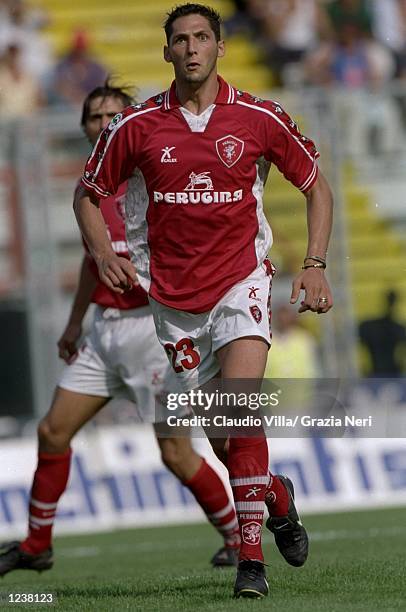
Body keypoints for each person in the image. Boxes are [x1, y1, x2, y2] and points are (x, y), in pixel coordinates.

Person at [74, 3, 334, 599]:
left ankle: (250, 562)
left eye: (201, 38)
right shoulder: (135, 127)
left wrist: (314, 265)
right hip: (173, 303)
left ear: (220, 47)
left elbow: (316, 185)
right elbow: (88, 195)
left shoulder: (258, 117)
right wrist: (103, 253)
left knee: (241, 415)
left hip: (242, 284)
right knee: (225, 441)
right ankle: (277, 495)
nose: (191, 48)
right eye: (179, 40)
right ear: (166, 52)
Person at [0, 82, 245, 578]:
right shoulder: (88, 190)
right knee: (52, 431)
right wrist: (74, 324)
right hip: (104, 332)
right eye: (94, 116)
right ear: (85, 127)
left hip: (154, 332)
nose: (104, 122)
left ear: (129, 121)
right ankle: (37, 545)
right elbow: (96, 262)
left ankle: (239, 538)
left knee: (177, 452)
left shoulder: (151, 175)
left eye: (114, 114)